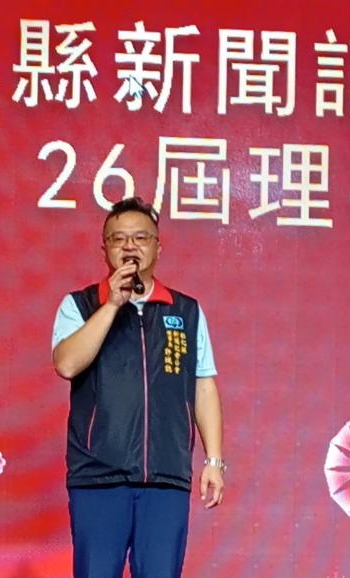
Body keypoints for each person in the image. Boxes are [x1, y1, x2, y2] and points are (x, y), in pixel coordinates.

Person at [51, 197, 225, 578]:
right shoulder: (79, 305)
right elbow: (66, 363)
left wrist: (213, 460)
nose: (130, 246)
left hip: (166, 479)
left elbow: (203, 386)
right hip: (98, 478)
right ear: (104, 250)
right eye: (119, 239)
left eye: (141, 238)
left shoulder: (186, 311)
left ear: (158, 247)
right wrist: (112, 305)